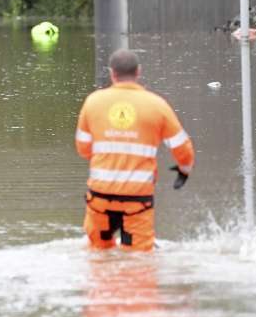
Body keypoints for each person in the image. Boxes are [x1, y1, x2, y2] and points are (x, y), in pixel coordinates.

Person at [75, 49, 195, 251]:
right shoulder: (157, 105)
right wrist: (184, 169)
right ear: (138, 72)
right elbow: (183, 148)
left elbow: (83, 148)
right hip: (137, 199)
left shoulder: (93, 102)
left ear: (112, 73)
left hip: (100, 196)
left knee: (97, 251)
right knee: (138, 256)